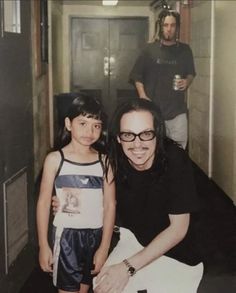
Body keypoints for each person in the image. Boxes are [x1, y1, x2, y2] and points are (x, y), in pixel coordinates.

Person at [93, 98, 203, 293]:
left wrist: (126, 268)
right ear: (118, 137)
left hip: (175, 252)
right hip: (133, 242)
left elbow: (178, 229)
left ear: (157, 135)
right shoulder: (113, 161)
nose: (137, 144)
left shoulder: (175, 160)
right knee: (102, 286)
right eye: (128, 135)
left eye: (145, 134)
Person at [36, 94, 116, 293]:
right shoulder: (55, 159)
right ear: (68, 124)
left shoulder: (105, 162)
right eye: (82, 123)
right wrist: (43, 245)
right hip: (67, 238)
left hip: (96, 236)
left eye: (96, 125)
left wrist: (104, 247)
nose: (89, 131)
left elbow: (110, 205)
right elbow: (44, 203)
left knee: (84, 289)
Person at [129, 9, 196, 149]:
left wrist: (187, 81)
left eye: (172, 25)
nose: (169, 29)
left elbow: (191, 73)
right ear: (160, 26)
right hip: (153, 113)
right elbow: (136, 75)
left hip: (177, 113)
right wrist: (142, 95)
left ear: (177, 27)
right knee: (154, 151)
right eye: (166, 25)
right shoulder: (149, 50)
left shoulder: (185, 50)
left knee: (179, 154)